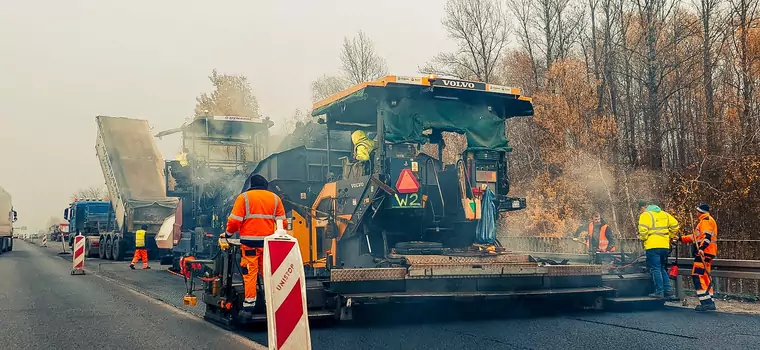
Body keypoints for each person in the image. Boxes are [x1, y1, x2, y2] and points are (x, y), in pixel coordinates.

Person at [220, 174, 286, 310]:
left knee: (250, 274)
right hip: (268, 244)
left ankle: (249, 306)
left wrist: (227, 234)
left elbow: (234, 221)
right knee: (268, 274)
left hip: (249, 245)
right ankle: (272, 304)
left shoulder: (243, 198)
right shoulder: (275, 198)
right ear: (265, 186)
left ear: (251, 185)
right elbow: (282, 223)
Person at [675, 204, 718, 311]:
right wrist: (680, 238)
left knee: (697, 276)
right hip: (708, 252)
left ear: (700, 212)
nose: (696, 213)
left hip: (704, 253)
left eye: (697, 211)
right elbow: (694, 237)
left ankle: (705, 302)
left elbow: (706, 237)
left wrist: (702, 249)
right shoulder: (704, 221)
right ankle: (709, 301)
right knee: (705, 277)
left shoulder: (706, 221)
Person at [637, 200, 680, 299]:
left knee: (655, 268)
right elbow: (675, 225)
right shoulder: (664, 214)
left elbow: (643, 231)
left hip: (652, 246)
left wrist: (643, 238)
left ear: (644, 208)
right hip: (664, 246)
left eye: (641, 209)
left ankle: (659, 291)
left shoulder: (645, 215)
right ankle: (668, 290)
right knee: (661, 268)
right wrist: (670, 236)